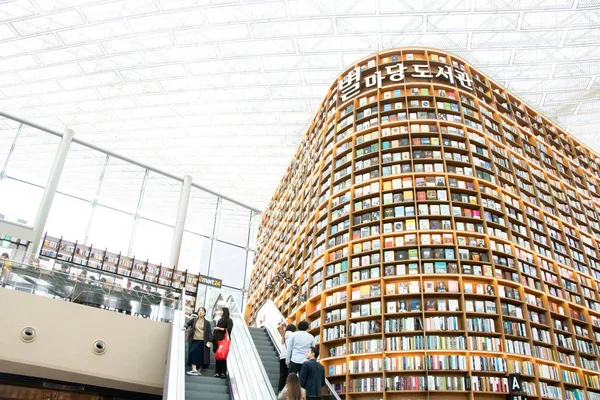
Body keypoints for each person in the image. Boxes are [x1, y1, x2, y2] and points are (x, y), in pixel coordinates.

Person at [185, 307, 213, 376]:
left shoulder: (207, 323)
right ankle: (194, 370)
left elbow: (209, 332)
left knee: (200, 356)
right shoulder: (194, 320)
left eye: (202, 311)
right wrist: (184, 327)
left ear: (205, 313)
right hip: (194, 340)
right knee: (192, 352)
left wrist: (210, 341)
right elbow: (187, 324)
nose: (200, 312)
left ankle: (198, 370)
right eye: (199, 311)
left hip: (203, 341)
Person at [213, 306, 233, 379]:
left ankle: (223, 372)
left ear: (225, 312)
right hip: (217, 340)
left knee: (223, 356)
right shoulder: (220, 320)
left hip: (223, 340)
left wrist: (221, 328)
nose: (220, 312)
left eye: (222, 311)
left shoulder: (229, 320)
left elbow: (229, 329)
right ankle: (217, 372)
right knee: (218, 356)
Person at [279, 323, 297, 392]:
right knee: (289, 375)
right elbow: (291, 348)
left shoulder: (284, 335)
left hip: (282, 357)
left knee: (282, 375)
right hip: (288, 357)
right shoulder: (292, 336)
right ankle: (287, 392)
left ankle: (280, 391)